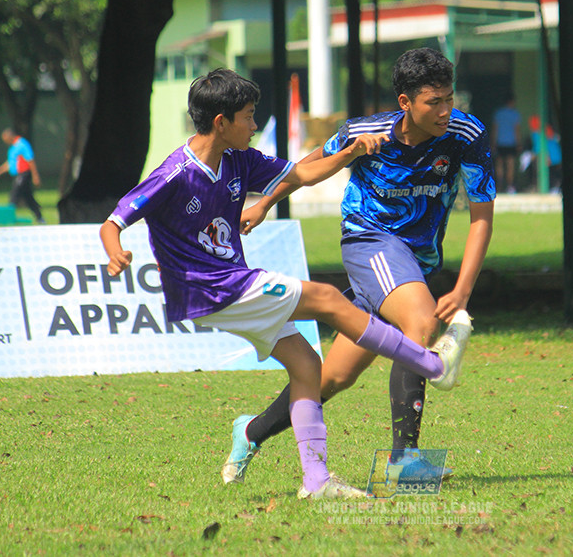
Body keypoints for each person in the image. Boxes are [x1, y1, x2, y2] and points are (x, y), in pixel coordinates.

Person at [98, 68, 471, 500]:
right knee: (329, 298)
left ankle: (314, 480)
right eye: (249, 117)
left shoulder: (240, 160)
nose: (255, 126)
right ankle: (435, 367)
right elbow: (115, 220)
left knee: (307, 366)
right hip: (214, 288)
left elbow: (303, 175)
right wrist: (115, 251)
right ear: (221, 122)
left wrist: (350, 152)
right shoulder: (174, 173)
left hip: (231, 283)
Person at [231, 47, 495, 483]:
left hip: (416, 261)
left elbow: (482, 216)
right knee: (421, 323)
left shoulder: (466, 134)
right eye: (435, 102)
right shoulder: (366, 131)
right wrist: (263, 205)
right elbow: (306, 167)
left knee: (331, 377)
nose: (446, 110)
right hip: (369, 241)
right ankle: (405, 462)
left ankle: (251, 430)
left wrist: (463, 289)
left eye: (450, 99)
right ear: (405, 103)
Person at [0, 128, 45, 224]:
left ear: (10, 136)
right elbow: (10, 163)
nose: (5, 142)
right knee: (28, 198)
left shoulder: (22, 144)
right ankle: (40, 217)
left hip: (24, 174)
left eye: (5, 140)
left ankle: (8, 217)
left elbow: (30, 160)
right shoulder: (12, 148)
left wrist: (35, 176)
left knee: (15, 193)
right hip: (17, 175)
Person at [491, 93, 522, 193]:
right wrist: (519, 143)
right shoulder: (515, 114)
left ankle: (499, 185)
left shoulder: (498, 113)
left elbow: (494, 129)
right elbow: (516, 130)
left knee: (499, 165)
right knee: (510, 165)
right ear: (512, 102)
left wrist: (493, 143)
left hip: (500, 142)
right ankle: (509, 186)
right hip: (511, 142)